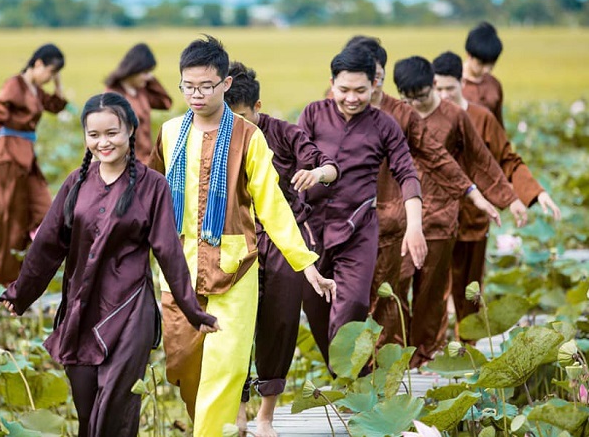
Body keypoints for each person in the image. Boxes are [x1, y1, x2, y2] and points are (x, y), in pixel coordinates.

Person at [0, 92, 219, 437]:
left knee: (114, 408)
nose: (103, 142)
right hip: (81, 311)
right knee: (87, 412)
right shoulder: (77, 182)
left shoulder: (153, 186)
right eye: (94, 135)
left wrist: (193, 311)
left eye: (112, 133)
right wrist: (21, 292)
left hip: (130, 311)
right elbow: (48, 244)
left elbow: (168, 253)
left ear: (130, 129)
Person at [148, 35, 336, 436]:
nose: (196, 95)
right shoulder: (168, 133)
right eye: (188, 86)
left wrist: (306, 265)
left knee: (226, 368)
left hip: (234, 269)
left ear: (225, 84)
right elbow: (149, 197)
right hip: (179, 270)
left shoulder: (249, 137)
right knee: (184, 366)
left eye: (206, 86)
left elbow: (272, 206)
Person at [340, 36, 501, 350]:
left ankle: (416, 359)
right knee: (359, 301)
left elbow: (438, 159)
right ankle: (364, 366)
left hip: (404, 218)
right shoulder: (328, 113)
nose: (367, 89)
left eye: (376, 80)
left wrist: (473, 192)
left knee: (409, 295)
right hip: (350, 224)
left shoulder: (399, 115)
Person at [225, 61, 339, 436]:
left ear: (258, 106)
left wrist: (317, 174)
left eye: (243, 116)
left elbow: (326, 164)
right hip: (235, 238)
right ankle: (238, 410)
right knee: (235, 328)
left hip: (283, 237)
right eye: (230, 117)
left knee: (282, 322)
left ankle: (265, 417)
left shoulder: (285, 133)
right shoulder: (214, 135)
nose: (237, 125)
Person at [393, 55, 527, 367]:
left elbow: (482, 161)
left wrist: (510, 198)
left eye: (423, 97)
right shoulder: (394, 117)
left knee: (431, 292)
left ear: (433, 87)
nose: (416, 104)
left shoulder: (455, 116)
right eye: (408, 99)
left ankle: (423, 357)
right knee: (395, 287)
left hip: (441, 214)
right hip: (400, 216)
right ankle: (396, 356)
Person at [299, 44, 426, 368]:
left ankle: (349, 378)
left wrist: (414, 225)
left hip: (358, 228)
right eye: (343, 90)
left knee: (353, 303)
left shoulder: (385, 125)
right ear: (332, 83)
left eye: (360, 90)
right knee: (316, 309)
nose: (351, 98)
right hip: (311, 228)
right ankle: (352, 374)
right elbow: (292, 159)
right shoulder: (313, 114)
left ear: (374, 85)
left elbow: (407, 174)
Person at [432, 50, 561, 339]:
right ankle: (432, 353)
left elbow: (507, 159)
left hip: (475, 218)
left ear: (461, 84)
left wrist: (535, 193)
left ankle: (468, 350)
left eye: (449, 89)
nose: (443, 95)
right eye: (437, 89)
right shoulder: (425, 118)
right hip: (436, 218)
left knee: (470, 291)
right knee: (435, 290)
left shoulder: (482, 118)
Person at [0, 44, 68, 286]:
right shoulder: (14, 85)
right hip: (8, 155)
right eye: (50, 72)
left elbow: (57, 105)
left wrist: (57, 79)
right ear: (37, 63)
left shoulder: (35, 90)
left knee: (45, 211)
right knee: (11, 218)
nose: (50, 78)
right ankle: (7, 280)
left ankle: (25, 269)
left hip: (27, 157)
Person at [104, 43, 173, 165]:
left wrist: (152, 79)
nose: (149, 77)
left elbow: (166, 103)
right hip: (127, 165)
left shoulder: (142, 91)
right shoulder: (113, 95)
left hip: (146, 161)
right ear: (133, 70)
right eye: (145, 72)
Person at [462, 22, 506, 127]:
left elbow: (498, 127)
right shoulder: (450, 85)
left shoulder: (494, 85)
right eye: (481, 64)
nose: (486, 70)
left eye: (491, 65)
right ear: (469, 55)